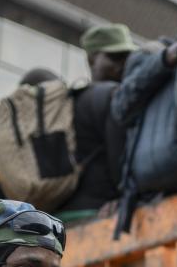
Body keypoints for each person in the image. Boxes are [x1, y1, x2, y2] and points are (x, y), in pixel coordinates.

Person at [55, 24, 141, 223]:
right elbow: (120, 163)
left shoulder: (71, 99)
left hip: (60, 217)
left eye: (127, 58)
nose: (123, 65)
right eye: (114, 57)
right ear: (92, 58)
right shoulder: (111, 95)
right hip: (96, 214)